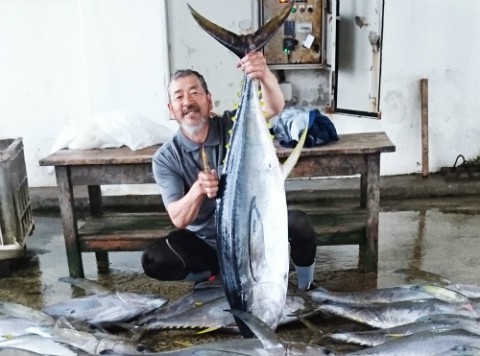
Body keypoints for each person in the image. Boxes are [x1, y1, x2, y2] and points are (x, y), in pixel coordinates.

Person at [142, 51, 316, 290]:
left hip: (252, 234)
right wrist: (198, 191)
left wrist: (263, 75)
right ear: (171, 109)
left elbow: (274, 106)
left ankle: (307, 287)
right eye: (179, 96)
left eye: (194, 92)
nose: (187, 102)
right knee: (154, 258)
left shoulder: (234, 125)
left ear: (209, 100)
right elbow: (178, 218)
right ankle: (211, 276)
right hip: (207, 243)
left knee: (299, 223)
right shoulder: (165, 158)